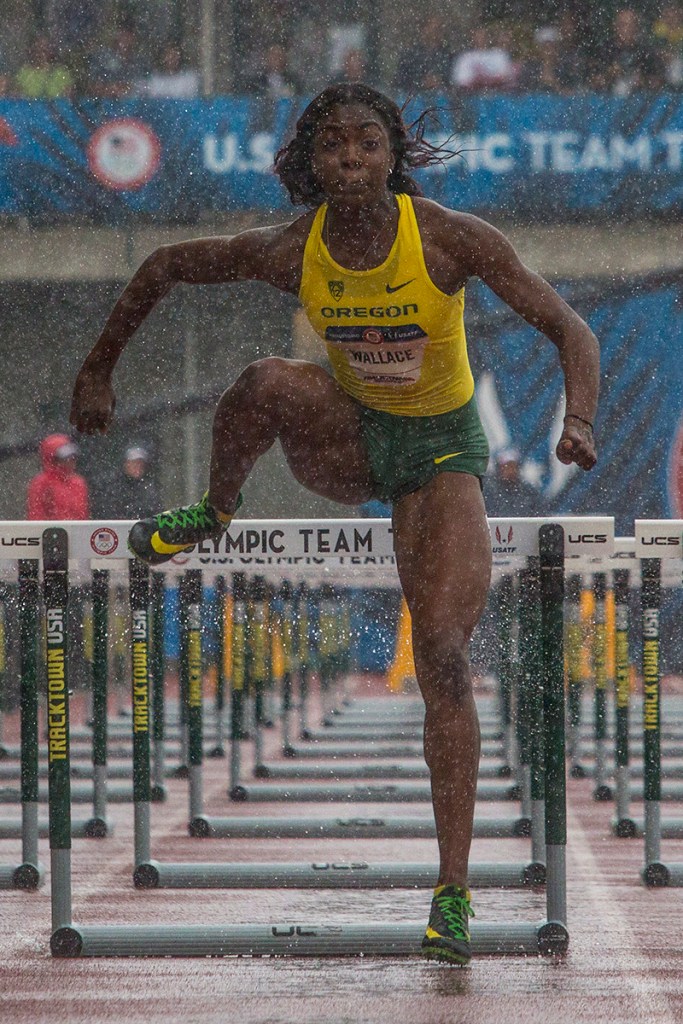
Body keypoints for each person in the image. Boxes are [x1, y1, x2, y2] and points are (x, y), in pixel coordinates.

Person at [69, 82, 599, 965]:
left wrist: (576, 420)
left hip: (440, 454)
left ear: (391, 154)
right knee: (266, 380)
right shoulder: (289, 250)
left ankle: (453, 893)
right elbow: (162, 265)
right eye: (332, 148)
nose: (350, 159)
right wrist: (96, 372)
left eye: (365, 143)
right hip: (349, 445)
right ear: (309, 166)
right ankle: (216, 509)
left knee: (440, 655)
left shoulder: (449, 239)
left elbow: (569, 327)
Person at [27, 433, 90, 520]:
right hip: (50, 532)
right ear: (52, 459)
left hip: (76, 532)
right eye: (65, 458)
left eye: (72, 457)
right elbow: (36, 516)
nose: (71, 461)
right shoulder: (41, 483)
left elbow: (83, 516)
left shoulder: (78, 483)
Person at [484, 447, 544, 518]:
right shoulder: (488, 492)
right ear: (499, 468)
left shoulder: (529, 492)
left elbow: (540, 514)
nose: (510, 471)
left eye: (513, 466)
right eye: (506, 467)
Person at [106, 445, 161, 520]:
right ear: (126, 464)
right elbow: (110, 511)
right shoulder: (115, 486)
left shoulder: (149, 487)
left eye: (140, 464)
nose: (138, 467)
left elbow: (156, 510)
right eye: (134, 463)